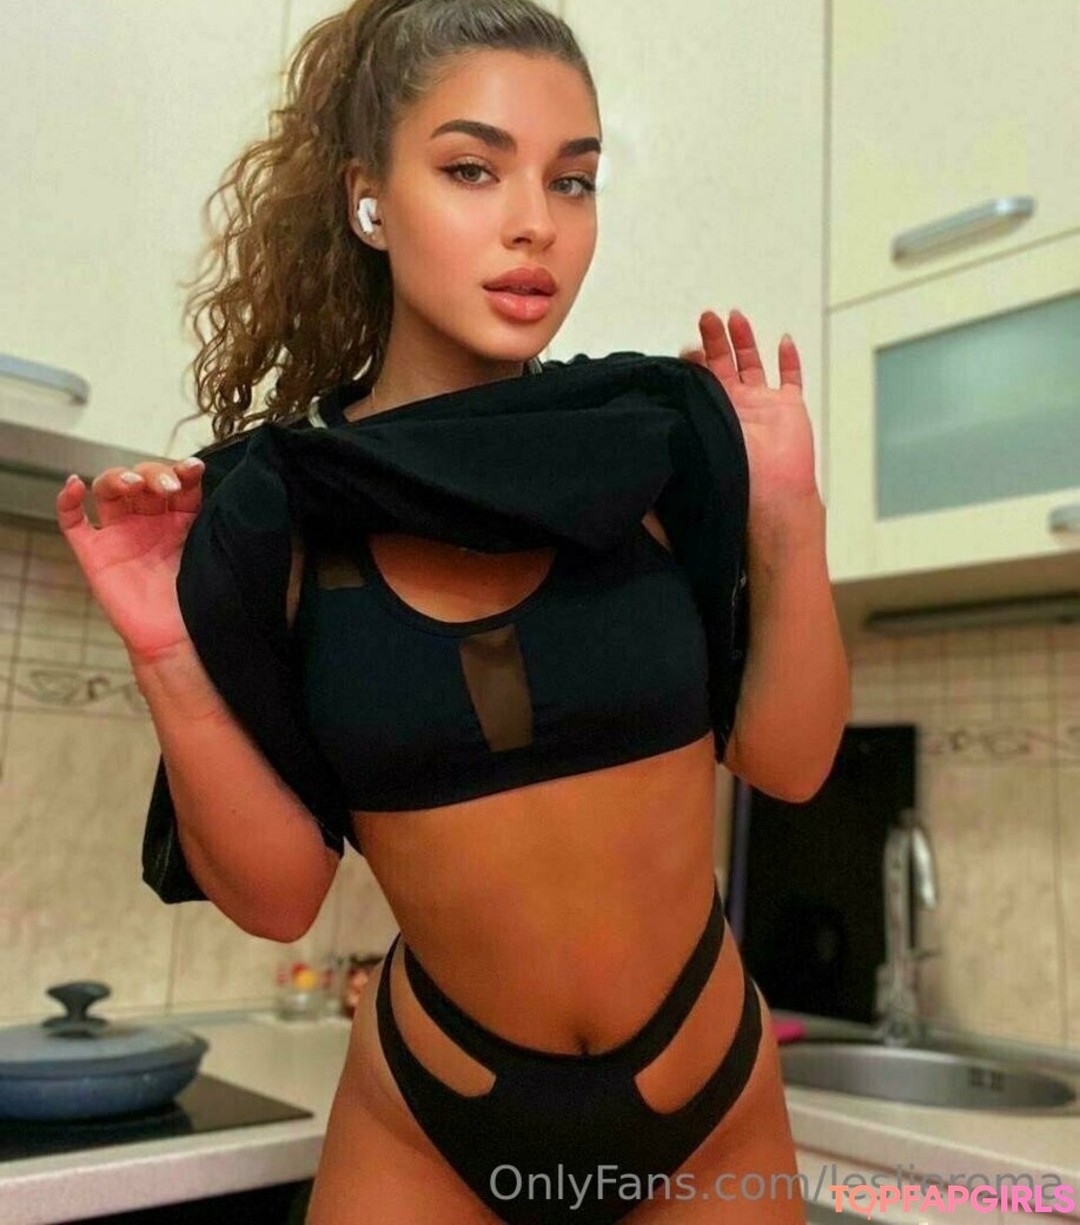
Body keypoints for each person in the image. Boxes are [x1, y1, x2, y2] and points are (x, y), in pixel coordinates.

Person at [56, 1, 850, 1220]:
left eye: (572, 180)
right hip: (430, 1116)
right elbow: (279, 897)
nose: (536, 222)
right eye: (473, 169)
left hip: (708, 1103)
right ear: (369, 198)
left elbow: (790, 764)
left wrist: (786, 511)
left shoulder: (660, 441)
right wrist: (165, 646)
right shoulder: (277, 508)